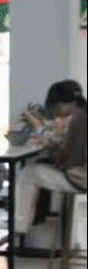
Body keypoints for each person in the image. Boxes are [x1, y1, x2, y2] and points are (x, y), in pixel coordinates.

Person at [14, 80, 87, 233]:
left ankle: (19, 228)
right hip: (82, 173)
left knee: (28, 173)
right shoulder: (81, 115)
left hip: (80, 178)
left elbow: (66, 159)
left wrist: (47, 141)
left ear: (62, 104)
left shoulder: (78, 120)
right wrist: (52, 140)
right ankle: (26, 223)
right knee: (39, 165)